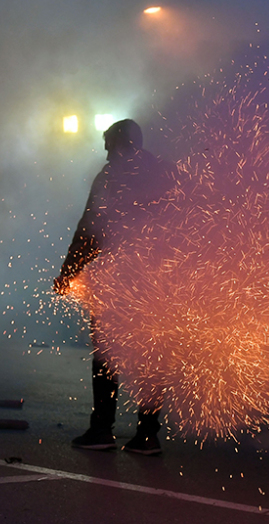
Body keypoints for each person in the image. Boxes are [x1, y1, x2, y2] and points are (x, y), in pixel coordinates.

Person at [54, 119, 171, 455]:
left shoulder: (112, 177)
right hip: (162, 282)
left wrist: (68, 273)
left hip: (121, 281)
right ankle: (147, 435)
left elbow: (90, 229)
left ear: (119, 143)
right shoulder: (165, 172)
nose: (105, 152)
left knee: (106, 353)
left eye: (108, 144)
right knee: (153, 356)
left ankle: (102, 429)